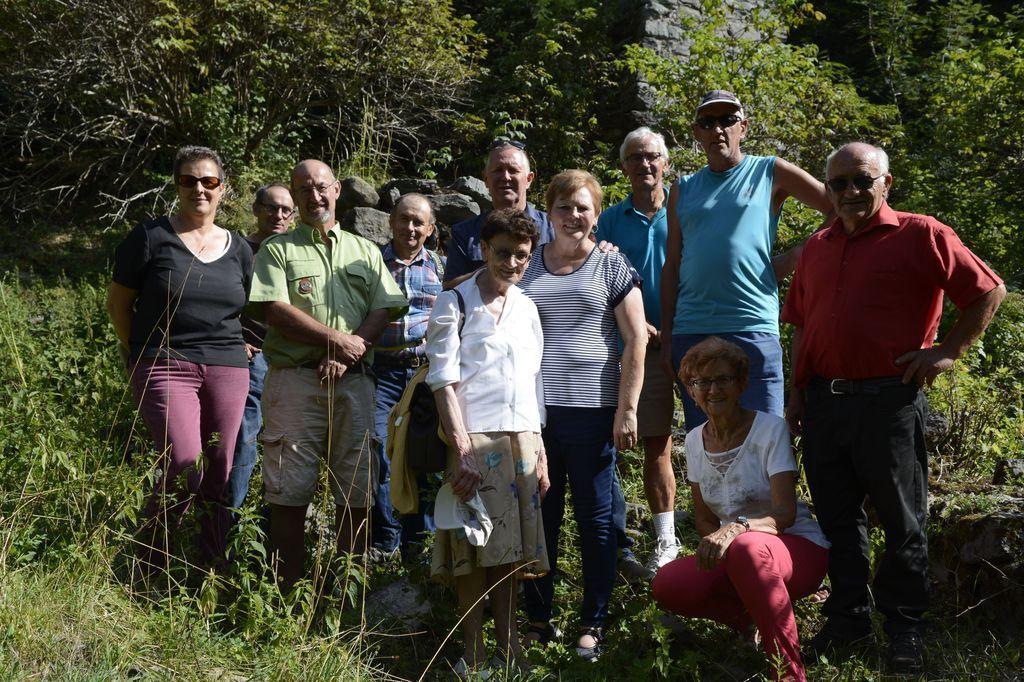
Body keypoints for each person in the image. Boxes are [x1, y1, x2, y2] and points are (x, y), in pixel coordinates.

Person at [782, 142, 1005, 674]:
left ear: (886, 183)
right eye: (838, 184)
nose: (851, 192)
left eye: (862, 180)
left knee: (903, 521)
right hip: (824, 404)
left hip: (889, 401)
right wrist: (795, 391)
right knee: (838, 520)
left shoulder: (921, 233)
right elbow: (800, 325)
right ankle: (848, 621)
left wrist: (947, 351)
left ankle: (905, 628)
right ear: (828, 190)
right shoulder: (816, 245)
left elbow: (988, 291)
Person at [247, 159, 408, 590]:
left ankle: (345, 597)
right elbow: (272, 309)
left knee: (357, 493)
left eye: (321, 187)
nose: (313, 196)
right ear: (294, 197)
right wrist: (336, 340)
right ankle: (287, 597)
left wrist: (349, 351)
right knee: (288, 492)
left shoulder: (365, 251)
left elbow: (384, 306)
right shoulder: (276, 251)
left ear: (337, 190)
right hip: (296, 382)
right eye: (303, 190)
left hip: (354, 384)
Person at [520, 170, 647, 660]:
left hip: (595, 412)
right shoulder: (526, 264)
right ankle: (537, 618)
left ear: (597, 213)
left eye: (583, 208)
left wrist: (627, 409)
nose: (574, 216)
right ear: (547, 213)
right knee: (540, 519)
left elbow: (636, 338)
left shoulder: (612, 266)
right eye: (564, 207)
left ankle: (593, 622)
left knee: (595, 523)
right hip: (537, 414)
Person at [106, 145, 252, 573]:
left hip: (227, 366)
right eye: (188, 180)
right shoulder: (151, 237)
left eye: (209, 181)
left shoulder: (241, 248)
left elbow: (250, 310)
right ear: (176, 186)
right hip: (165, 362)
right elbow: (119, 305)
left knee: (220, 467)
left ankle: (211, 569)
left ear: (223, 189)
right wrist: (139, 351)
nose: (199, 189)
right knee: (183, 462)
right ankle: (151, 565)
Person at [652, 337, 829, 682]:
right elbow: (703, 518)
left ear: (742, 384)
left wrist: (736, 529)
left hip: (795, 548)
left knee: (748, 548)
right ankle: (747, 619)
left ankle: (790, 674)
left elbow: (784, 513)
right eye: (701, 382)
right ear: (690, 390)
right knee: (668, 584)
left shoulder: (769, 429)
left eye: (723, 379)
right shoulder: (693, 440)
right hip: (740, 556)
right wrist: (722, 542)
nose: (712, 390)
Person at [659, 89, 832, 432]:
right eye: (708, 123)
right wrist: (667, 337)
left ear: (744, 127)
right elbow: (672, 264)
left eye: (727, 120)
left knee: (766, 439)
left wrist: (795, 256)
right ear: (697, 132)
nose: (717, 130)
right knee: (705, 442)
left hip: (752, 324)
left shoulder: (770, 171)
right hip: (692, 329)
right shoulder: (682, 188)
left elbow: (835, 207)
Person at [425, 209, 550, 675]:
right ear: (483, 248)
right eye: (503, 253)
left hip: (520, 442)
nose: (512, 263)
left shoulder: (528, 306)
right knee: (472, 553)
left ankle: (510, 649)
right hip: (473, 443)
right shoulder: (453, 302)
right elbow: (442, 381)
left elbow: (534, 384)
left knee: (512, 554)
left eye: (522, 255)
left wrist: (539, 450)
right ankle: (474, 654)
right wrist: (461, 452)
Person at [596, 126, 679, 573]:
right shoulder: (608, 221)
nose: (644, 165)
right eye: (634, 158)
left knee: (714, 439)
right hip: (641, 345)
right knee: (655, 443)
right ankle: (664, 539)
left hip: (693, 339)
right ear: (624, 166)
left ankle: (721, 527)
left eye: (652, 156)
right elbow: (601, 279)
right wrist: (642, 328)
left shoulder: (686, 210)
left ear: (665, 162)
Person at [371, 194, 444, 560]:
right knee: (381, 453)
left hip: (423, 375)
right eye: (404, 219)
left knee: (424, 454)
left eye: (419, 223)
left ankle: (421, 544)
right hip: (381, 371)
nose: (410, 228)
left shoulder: (439, 268)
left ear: (430, 230)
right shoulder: (372, 263)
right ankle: (387, 538)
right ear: (391, 221)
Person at [225, 183, 295, 517]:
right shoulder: (238, 249)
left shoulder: (296, 250)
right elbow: (222, 301)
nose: (278, 215)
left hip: (292, 359)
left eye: (286, 210)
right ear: (256, 209)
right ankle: (233, 518)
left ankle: (273, 523)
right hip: (253, 356)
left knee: (285, 440)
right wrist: (234, 340)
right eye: (271, 207)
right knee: (245, 435)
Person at [443, 139, 553, 284]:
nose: (505, 177)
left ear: (529, 179)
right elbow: (450, 287)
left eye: (513, 170)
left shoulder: (553, 228)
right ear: (486, 179)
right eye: (498, 170)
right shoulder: (464, 233)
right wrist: (491, 269)